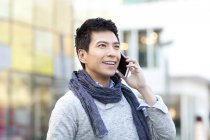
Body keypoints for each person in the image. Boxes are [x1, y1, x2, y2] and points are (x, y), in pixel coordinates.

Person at [46, 17, 176, 140]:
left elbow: (166, 137)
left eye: (116, 46)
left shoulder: (132, 101)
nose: (112, 53)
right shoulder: (69, 106)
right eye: (102, 45)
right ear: (82, 55)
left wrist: (143, 88)